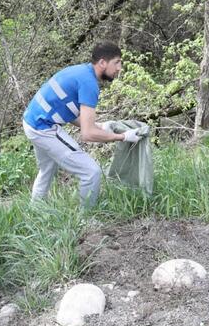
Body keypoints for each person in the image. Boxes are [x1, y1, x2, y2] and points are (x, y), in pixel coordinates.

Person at [22, 43, 139, 207]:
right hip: (42, 128)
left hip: (31, 121)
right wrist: (123, 136)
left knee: (47, 170)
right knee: (91, 172)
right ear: (103, 63)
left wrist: (100, 126)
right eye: (117, 62)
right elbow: (87, 134)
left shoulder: (80, 72)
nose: (120, 68)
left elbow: (67, 111)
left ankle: (35, 210)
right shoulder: (89, 84)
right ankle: (86, 218)